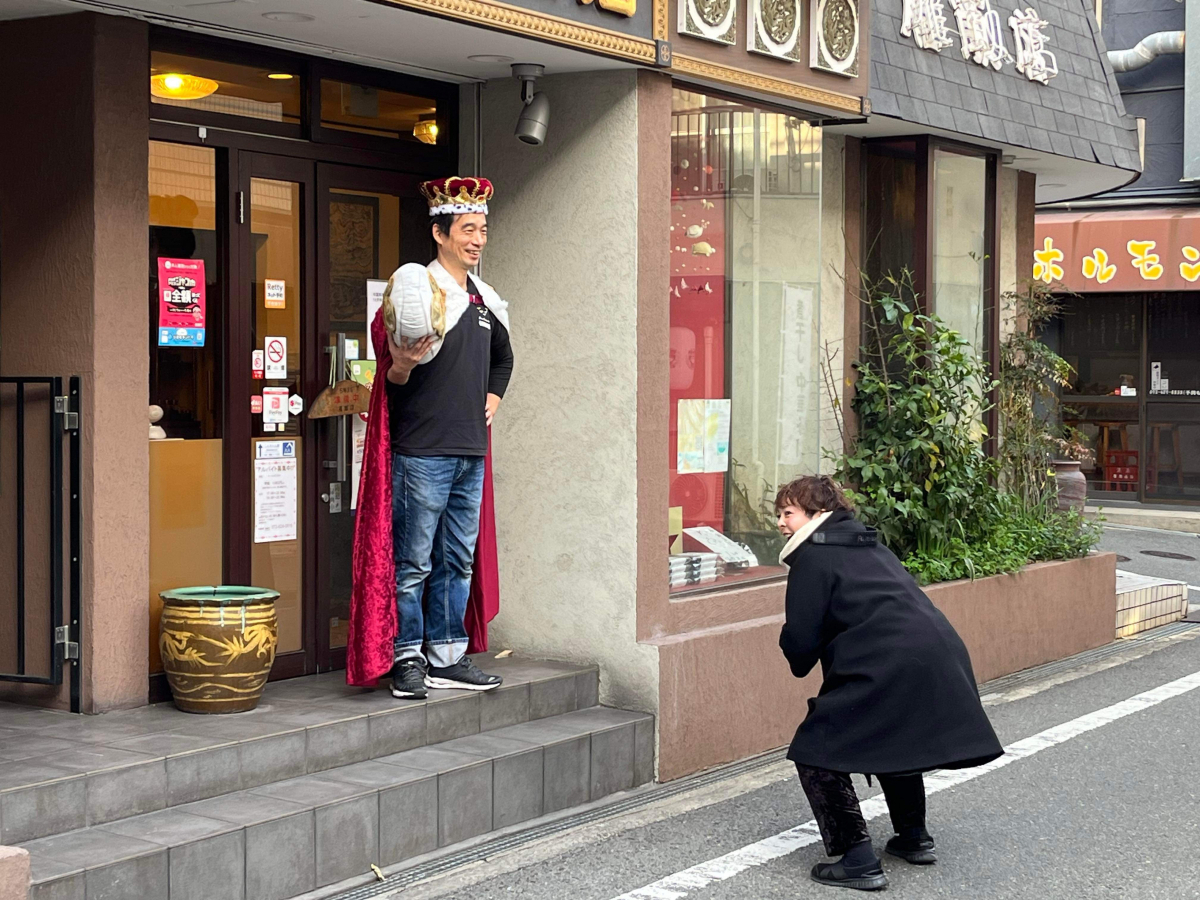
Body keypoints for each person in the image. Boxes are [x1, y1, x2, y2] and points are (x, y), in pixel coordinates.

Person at [775, 475, 1003, 892]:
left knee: (816, 749)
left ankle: (856, 858)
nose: (780, 522)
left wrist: (789, 645)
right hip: (936, 651)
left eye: (788, 513)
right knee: (896, 733)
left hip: (886, 659)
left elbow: (802, 643)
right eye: (779, 513)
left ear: (816, 515)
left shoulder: (814, 557)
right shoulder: (869, 545)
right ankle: (913, 837)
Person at [346, 176, 512, 700]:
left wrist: (494, 397)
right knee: (413, 561)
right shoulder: (416, 290)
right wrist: (398, 367)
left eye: (482, 230)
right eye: (468, 229)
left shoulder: (484, 300)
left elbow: (504, 358)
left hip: (470, 451)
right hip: (421, 451)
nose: (478, 240)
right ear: (440, 234)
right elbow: (392, 380)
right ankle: (407, 659)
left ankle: (448, 655)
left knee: (456, 560)